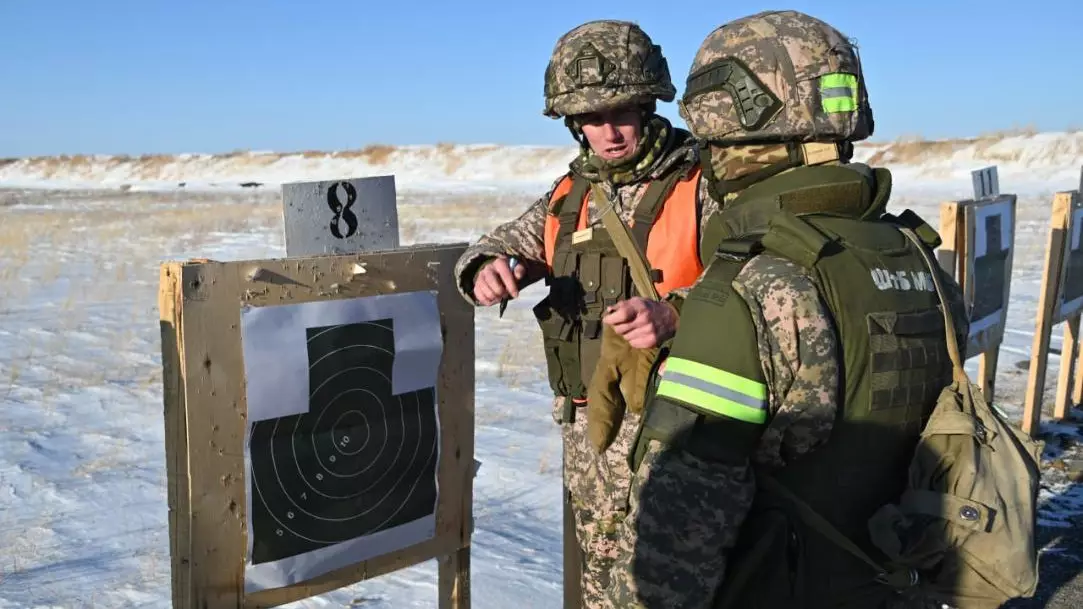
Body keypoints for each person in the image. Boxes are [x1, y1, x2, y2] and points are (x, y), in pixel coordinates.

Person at [597, 10, 970, 609]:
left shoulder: (749, 285)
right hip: (898, 583)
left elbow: (679, 529)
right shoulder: (918, 258)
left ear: (727, 128)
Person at [451, 19, 720, 609]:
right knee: (599, 586)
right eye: (591, 118)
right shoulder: (571, 193)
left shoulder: (704, 183)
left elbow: (758, 285)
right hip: (588, 435)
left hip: (679, 433)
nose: (609, 132)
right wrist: (489, 269)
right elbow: (495, 245)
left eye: (621, 111)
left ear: (649, 104)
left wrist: (675, 315)